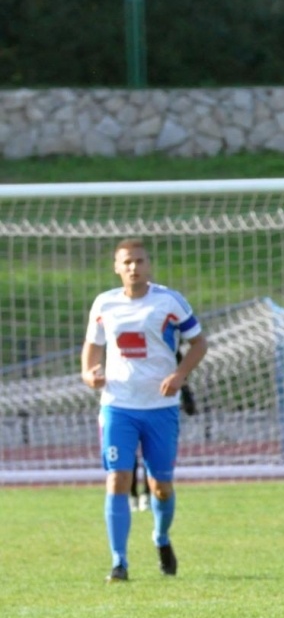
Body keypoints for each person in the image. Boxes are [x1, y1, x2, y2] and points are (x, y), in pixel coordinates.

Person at [80, 239, 208, 582]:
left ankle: (161, 538)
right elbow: (92, 348)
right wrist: (89, 373)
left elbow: (199, 342)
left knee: (160, 486)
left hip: (160, 408)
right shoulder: (104, 304)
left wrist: (180, 376)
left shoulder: (169, 302)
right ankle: (119, 562)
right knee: (117, 478)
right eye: (127, 262)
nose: (134, 267)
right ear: (116, 267)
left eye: (139, 261)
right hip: (118, 406)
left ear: (148, 265)